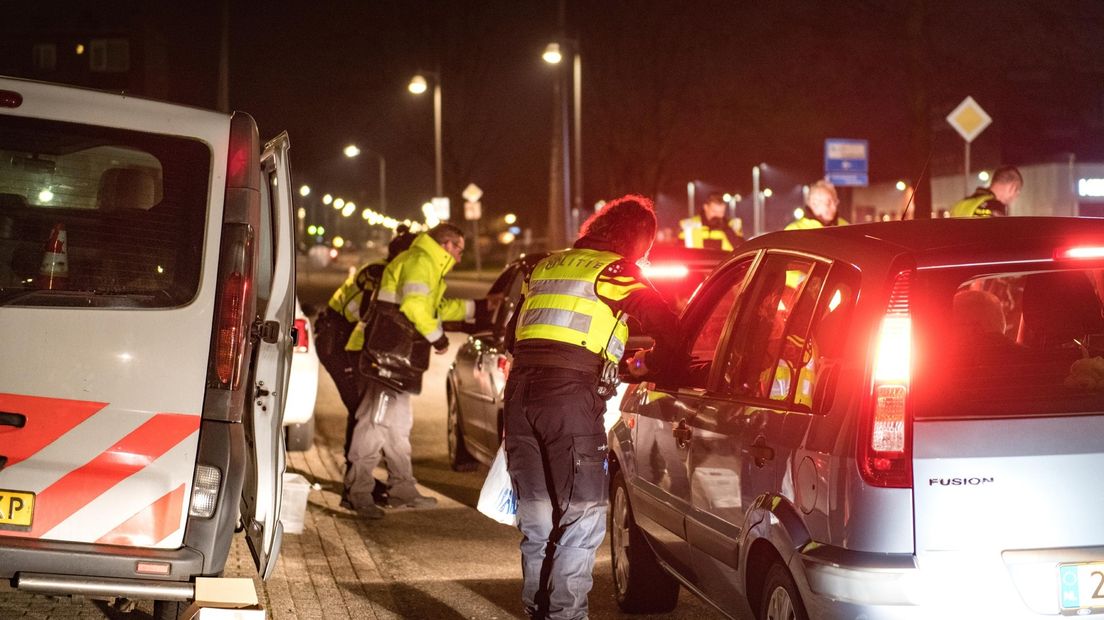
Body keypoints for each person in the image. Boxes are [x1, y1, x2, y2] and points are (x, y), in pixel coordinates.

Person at [503, 194, 679, 620]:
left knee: (537, 515)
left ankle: (537, 610)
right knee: (583, 515)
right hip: (569, 399)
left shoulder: (546, 265)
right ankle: (566, 616)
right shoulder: (617, 271)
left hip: (520, 397)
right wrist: (650, 363)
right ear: (638, 241)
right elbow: (668, 327)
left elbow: (513, 337)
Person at [343, 223, 500, 519]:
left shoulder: (424, 263)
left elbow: (435, 308)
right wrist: (437, 338)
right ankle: (358, 492)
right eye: (459, 250)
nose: (460, 258)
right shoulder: (420, 261)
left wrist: (479, 308)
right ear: (447, 244)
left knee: (399, 426)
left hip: (395, 359)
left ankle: (402, 489)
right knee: (375, 422)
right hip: (384, 357)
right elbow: (416, 307)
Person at [315, 230, 416, 473]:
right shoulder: (379, 273)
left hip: (345, 340)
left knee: (363, 409)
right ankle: (354, 480)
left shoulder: (387, 271)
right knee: (361, 409)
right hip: (337, 342)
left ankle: (359, 477)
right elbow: (367, 314)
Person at [949, 165, 1023, 217]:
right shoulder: (995, 206)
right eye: (1017, 193)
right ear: (1012, 187)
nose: (1014, 198)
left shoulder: (960, 204)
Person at [679, 192, 743, 250]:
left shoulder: (732, 226)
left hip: (724, 262)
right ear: (705, 207)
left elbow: (740, 249)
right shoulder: (689, 225)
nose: (717, 215)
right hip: (696, 262)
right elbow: (679, 249)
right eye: (714, 211)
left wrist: (727, 229)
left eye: (721, 212)